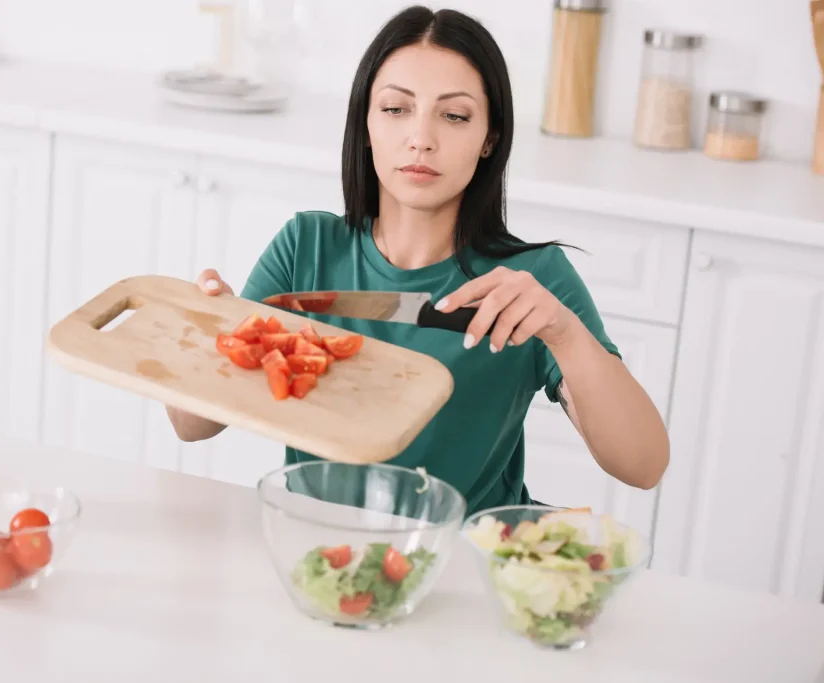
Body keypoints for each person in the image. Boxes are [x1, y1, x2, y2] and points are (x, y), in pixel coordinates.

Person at [166, 5, 669, 514]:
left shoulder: (532, 281)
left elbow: (642, 466)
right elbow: (194, 426)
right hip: (319, 548)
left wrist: (565, 333)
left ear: (489, 138)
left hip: (464, 561)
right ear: (365, 123)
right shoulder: (306, 247)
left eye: (454, 115)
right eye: (395, 109)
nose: (421, 138)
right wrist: (205, 331)